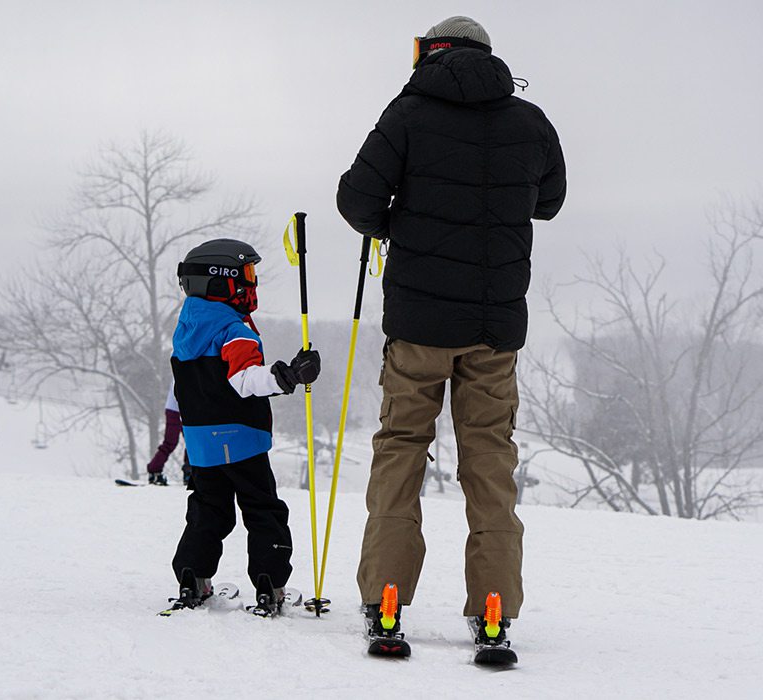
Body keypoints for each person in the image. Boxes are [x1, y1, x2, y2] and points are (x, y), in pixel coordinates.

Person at [336, 16, 566, 654]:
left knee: (401, 449)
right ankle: (493, 609)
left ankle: (386, 599)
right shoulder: (530, 121)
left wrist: (394, 226)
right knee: (489, 461)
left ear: (429, 53)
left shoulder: (407, 113)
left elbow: (356, 199)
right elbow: (549, 201)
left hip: (416, 327)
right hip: (495, 329)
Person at [166, 238, 321, 616]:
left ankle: (193, 578)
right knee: (262, 509)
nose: (252, 284)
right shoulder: (234, 329)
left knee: (209, 508)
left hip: (201, 442)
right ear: (221, 281)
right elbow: (244, 380)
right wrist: (286, 377)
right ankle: (270, 585)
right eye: (247, 275)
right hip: (241, 438)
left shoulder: (188, 326)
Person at [145, 385, 183, 487]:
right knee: (170, 442)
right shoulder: (182, 372)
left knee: (192, 442)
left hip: (181, 409)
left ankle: (190, 470)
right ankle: (154, 469)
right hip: (175, 411)